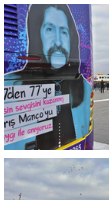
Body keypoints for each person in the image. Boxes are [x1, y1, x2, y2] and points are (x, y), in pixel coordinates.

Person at [5, 5, 93, 149]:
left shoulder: (84, 86)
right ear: (37, 35)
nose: (58, 42)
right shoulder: (10, 85)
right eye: (49, 30)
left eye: (64, 32)